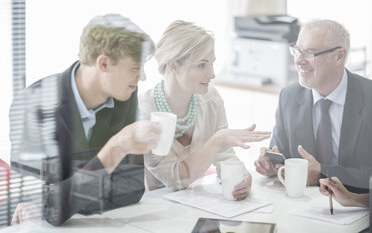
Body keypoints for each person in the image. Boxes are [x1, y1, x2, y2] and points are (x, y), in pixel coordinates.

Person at [9, 14, 161, 225]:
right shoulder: (33, 105)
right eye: (136, 68)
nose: (142, 76)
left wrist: (68, 194)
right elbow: (49, 208)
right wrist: (115, 149)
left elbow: (132, 189)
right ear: (104, 63)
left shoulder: (124, 95)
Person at [139, 20, 271, 200]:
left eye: (212, 63)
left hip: (197, 203)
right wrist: (217, 140)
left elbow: (224, 155)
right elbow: (175, 179)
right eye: (202, 65)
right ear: (173, 65)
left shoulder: (210, 98)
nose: (212, 74)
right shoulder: (145, 110)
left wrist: (242, 176)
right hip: (154, 212)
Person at [254, 19, 372, 193]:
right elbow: (281, 155)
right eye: (297, 51)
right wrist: (270, 165)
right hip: (303, 205)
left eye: (310, 53)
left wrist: (323, 173)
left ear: (339, 56)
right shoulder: (289, 97)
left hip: (357, 208)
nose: (299, 61)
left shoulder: (368, 97)